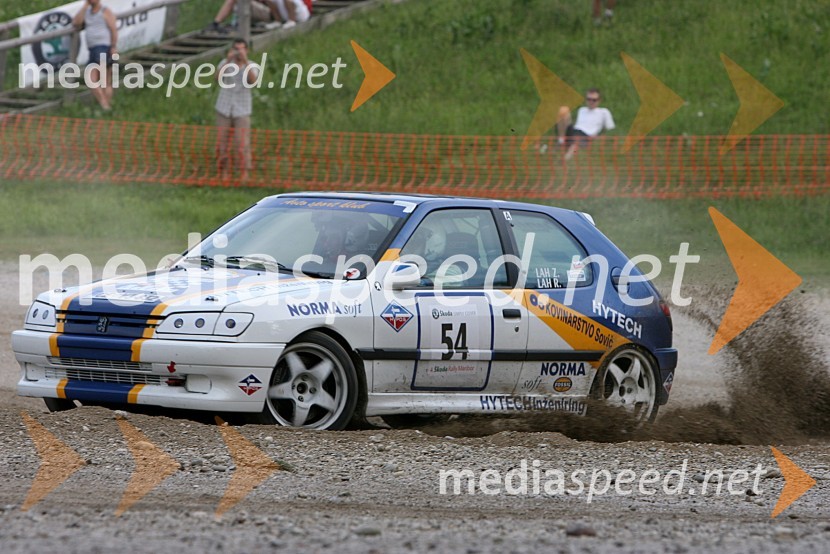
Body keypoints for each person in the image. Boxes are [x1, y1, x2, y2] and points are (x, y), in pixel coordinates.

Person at [215, 38, 260, 180]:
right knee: (222, 142)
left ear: (246, 50)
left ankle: (244, 173)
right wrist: (228, 61)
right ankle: (224, 172)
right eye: (236, 48)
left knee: (242, 143)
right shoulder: (225, 63)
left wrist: (245, 62)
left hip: (242, 109)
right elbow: (216, 79)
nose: (238, 52)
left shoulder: (253, 65)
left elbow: (253, 81)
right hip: (224, 107)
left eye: (241, 49)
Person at [73, 0, 118, 110]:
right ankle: (106, 104)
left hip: (103, 47)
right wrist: (84, 7)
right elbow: (76, 22)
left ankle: (105, 104)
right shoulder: (87, 12)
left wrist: (113, 47)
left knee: (102, 79)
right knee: (94, 79)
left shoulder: (105, 11)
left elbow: (113, 30)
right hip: (93, 49)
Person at [555, 88, 615, 161]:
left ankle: (564, 160)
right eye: (589, 99)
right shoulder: (582, 110)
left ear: (599, 100)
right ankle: (561, 141)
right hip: (575, 131)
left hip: (587, 135)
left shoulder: (604, 112)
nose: (591, 102)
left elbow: (610, 129)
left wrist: (599, 137)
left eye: (594, 100)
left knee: (576, 141)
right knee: (563, 110)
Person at [209, 0, 310, 32]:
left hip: (298, 15)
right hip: (275, 14)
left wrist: (291, 19)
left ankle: (291, 21)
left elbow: (291, 3)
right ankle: (216, 23)